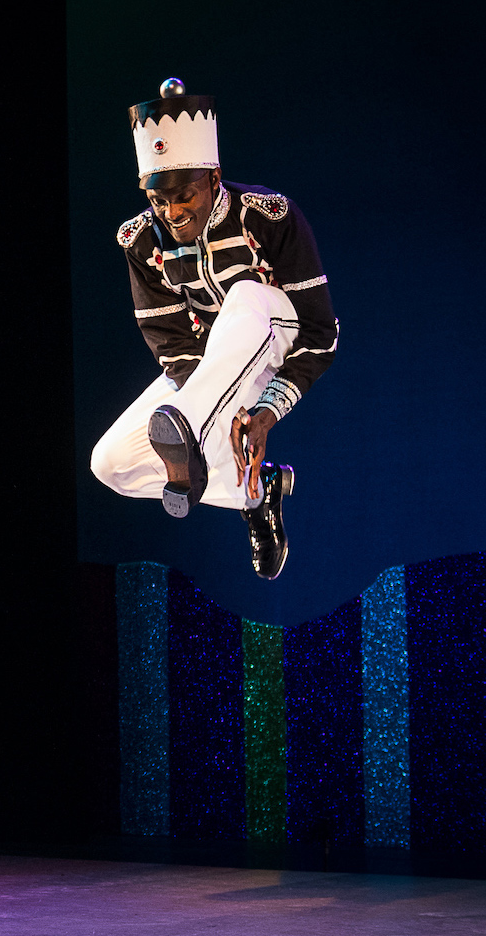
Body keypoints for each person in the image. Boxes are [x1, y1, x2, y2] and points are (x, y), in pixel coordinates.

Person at [90, 79, 339, 580]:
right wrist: (215, 405)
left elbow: (320, 333)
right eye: (160, 201)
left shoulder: (266, 217)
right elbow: (172, 344)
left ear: (214, 177)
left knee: (245, 297)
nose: (173, 213)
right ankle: (252, 491)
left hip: (274, 336)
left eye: (184, 196)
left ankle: (196, 435)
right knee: (110, 463)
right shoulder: (140, 242)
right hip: (208, 375)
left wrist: (265, 411)